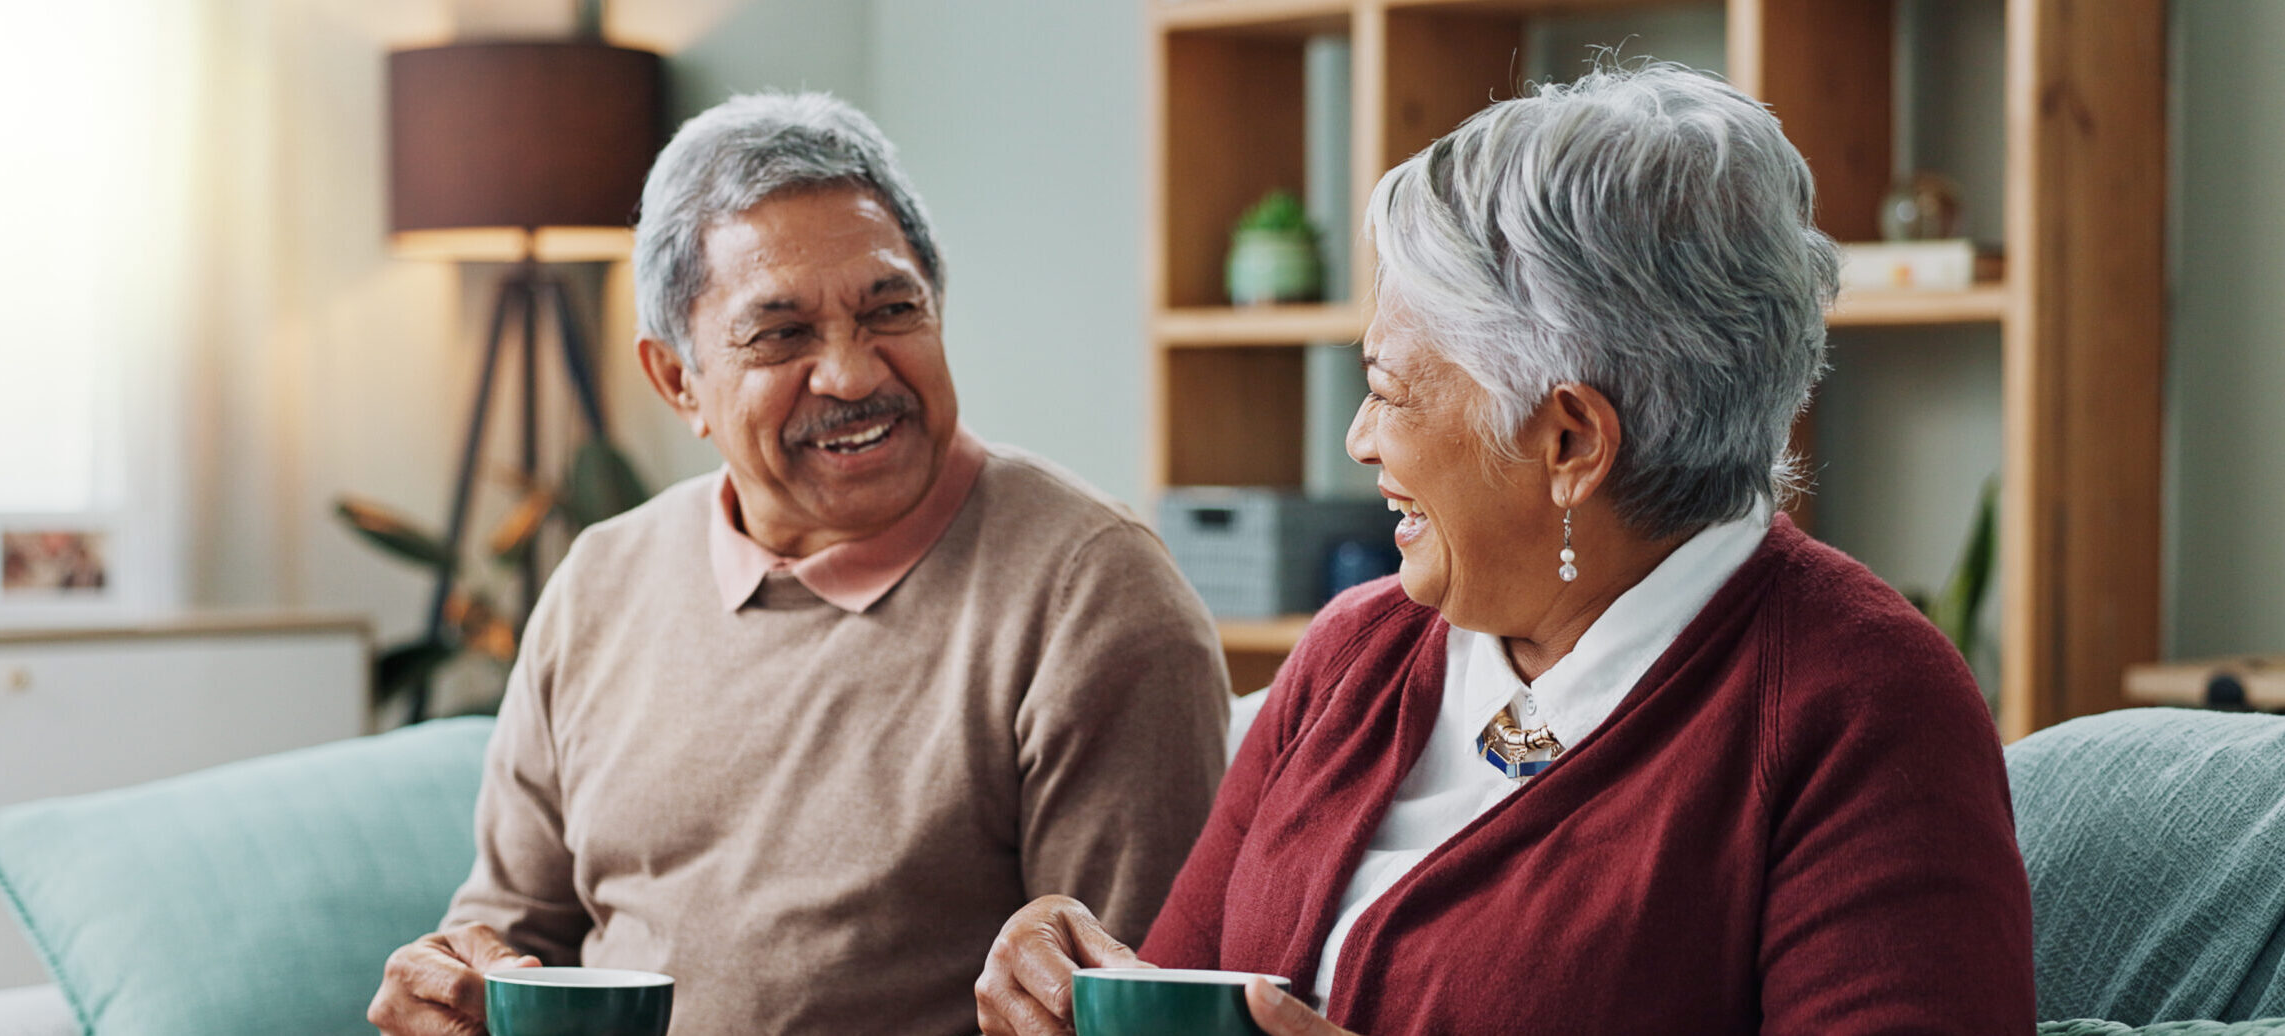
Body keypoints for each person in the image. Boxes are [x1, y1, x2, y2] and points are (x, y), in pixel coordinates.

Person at [974, 63, 2033, 1035]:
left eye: (1388, 392)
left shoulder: (1862, 708)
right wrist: (1079, 999)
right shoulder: (1354, 655)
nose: (1359, 440)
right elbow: (1182, 984)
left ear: (1568, 440)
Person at [366, 92, 1231, 1036]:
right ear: (675, 380)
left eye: (891, 309)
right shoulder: (599, 582)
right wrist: (448, 984)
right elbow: (510, 931)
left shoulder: (1092, 593)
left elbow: (1131, 998)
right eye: (781, 335)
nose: (853, 375)